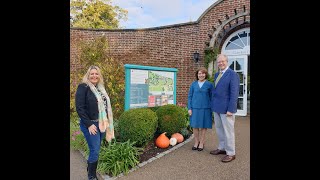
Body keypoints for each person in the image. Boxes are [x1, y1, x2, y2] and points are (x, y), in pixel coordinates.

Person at [75, 65, 114, 180]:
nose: (94, 76)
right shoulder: (83, 87)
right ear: (88, 75)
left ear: (99, 76)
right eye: (92, 74)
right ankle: (91, 176)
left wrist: (106, 121)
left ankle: (90, 168)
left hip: (101, 123)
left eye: (96, 74)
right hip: (90, 125)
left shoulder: (100, 88)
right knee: (95, 150)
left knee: (96, 148)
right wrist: (89, 124)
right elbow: (80, 108)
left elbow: (105, 106)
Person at [210, 54, 240, 163]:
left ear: (227, 61)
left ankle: (231, 153)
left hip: (227, 109)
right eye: (219, 62)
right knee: (219, 130)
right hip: (217, 107)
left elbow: (234, 93)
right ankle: (222, 148)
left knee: (228, 131)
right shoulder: (217, 74)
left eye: (223, 61)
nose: (221, 63)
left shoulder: (233, 74)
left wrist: (231, 109)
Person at [188, 67, 214, 151]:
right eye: (199, 73)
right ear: (197, 75)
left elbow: (212, 97)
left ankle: (202, 143)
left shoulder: (209, 85)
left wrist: (212, 108)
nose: (201, 75)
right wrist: (189, 108)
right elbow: (190, 97)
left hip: (206, 108)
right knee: (195, 126)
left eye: (203, 73)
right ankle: (196, 142)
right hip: (195, 108)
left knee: (203, 126)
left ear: (205, 74)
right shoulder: (193, 84)